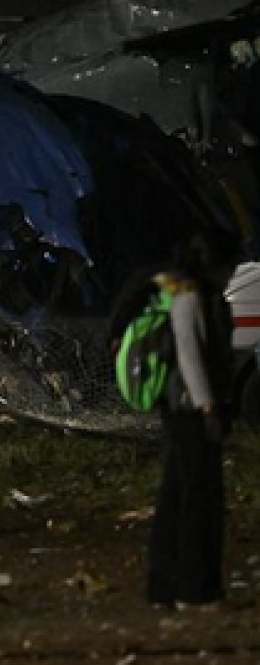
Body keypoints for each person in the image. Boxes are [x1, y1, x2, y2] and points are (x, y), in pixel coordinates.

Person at [147, 236, 236, 609]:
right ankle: (195, 588)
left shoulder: (185, 295)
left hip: (184, 410)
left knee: (176, 496)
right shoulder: (190, 299)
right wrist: (208, 406)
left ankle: (165, 587)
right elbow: (190, 357)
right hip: (189, 411)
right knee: (200, 499)